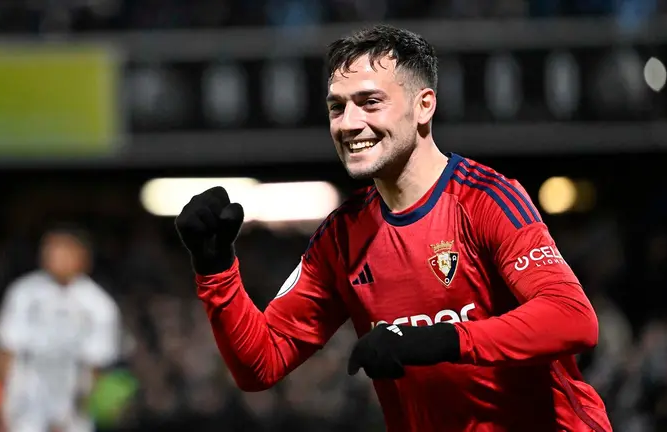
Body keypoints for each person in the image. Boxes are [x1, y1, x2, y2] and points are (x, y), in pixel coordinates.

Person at [174, 25, 612, 431]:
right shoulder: (342, 238)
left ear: (424, 106)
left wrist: (440, 340)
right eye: (337, 107)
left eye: (369, 102)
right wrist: (215, 268)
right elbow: (260, 364)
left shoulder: (485, 199)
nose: (348, 124)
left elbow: (573, 319)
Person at [0, 225, 120, 432]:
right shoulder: (24, 292)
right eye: (50, 251)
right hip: (27, 388)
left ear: (82, 257)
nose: (54, 257)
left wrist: (76, 411)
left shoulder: (99, 304)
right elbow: (6, 349)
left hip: (72, 388)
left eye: (63, 251)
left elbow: (97, 365)